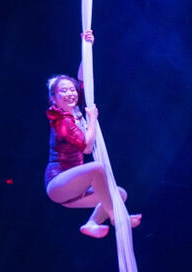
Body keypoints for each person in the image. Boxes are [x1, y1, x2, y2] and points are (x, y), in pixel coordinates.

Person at [44, 30, 141, 238]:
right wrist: (93, 118)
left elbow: (82, 79)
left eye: (71, 90)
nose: (71, 93)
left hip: (75, 192)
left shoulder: (76, 111)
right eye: (64, 91)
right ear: (54, 99)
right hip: (58, 184)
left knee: (119, 193)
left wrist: (87, 48)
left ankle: (92, 223)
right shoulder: (62, 120)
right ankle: (117, 218)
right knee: (98, 168)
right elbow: (87, 146)